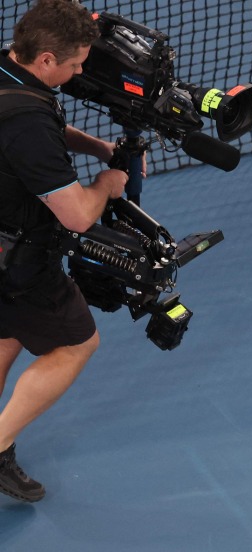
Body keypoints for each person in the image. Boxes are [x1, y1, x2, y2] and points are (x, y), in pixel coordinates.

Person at [0, 0, 127, 502]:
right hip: (18, 260)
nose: (80, 72)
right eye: (75, 63)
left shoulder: (8, 69)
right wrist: (106, 184)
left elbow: (41, 129)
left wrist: (94, 145)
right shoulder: (26, 121)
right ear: (46, 59)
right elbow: (75, 214)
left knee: (7, 334)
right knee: (77, 343)